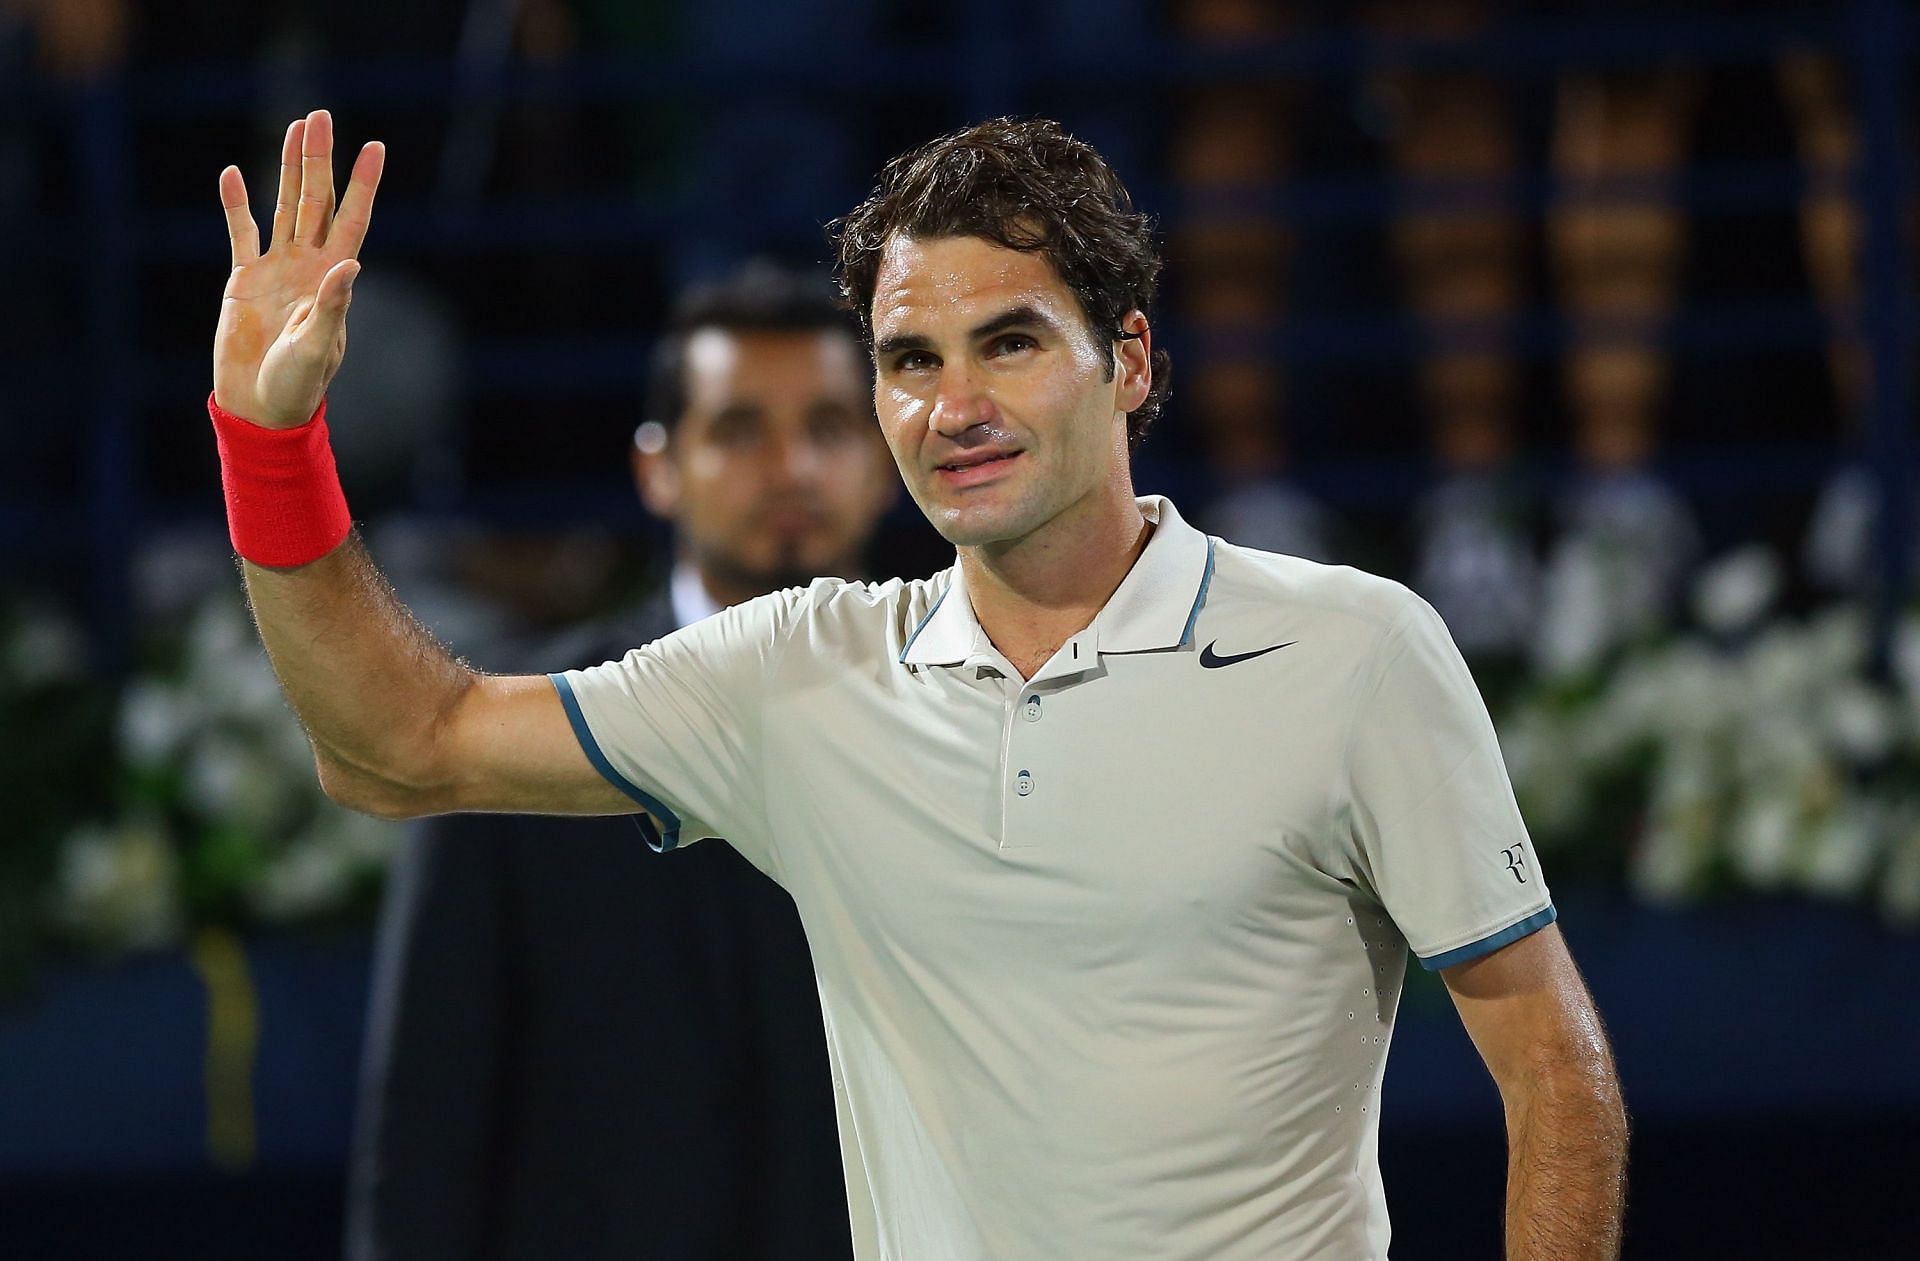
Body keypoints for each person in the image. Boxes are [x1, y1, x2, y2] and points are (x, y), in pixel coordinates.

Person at [210, 109, 1628, 1260]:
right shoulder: (800, 674)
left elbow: (1556, 1076)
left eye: (1009, 341)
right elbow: (402, 743)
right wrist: (268, 443)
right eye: (909, 361)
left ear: (1126, 360)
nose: (954, 407)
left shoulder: (1357, 650)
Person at [344, 262, 894, 1260]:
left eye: (828, 427)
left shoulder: (977, 726)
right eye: (738, 429)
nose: (791, 467)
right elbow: (427, 1126)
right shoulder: (511, 734)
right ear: (658, 467)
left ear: (886, 456)